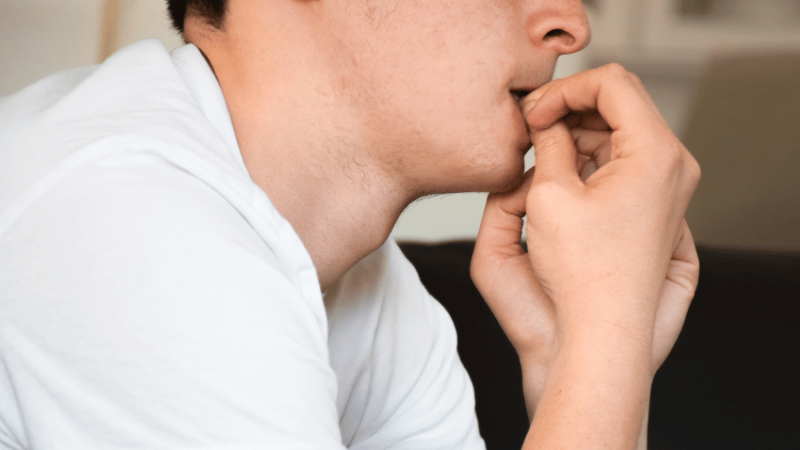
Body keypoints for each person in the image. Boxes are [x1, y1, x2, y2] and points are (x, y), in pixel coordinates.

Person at [0, 0, 700, 449]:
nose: (569, 24)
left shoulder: (367, 283)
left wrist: (573, 354)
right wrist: (609, 321)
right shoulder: (129, 222)